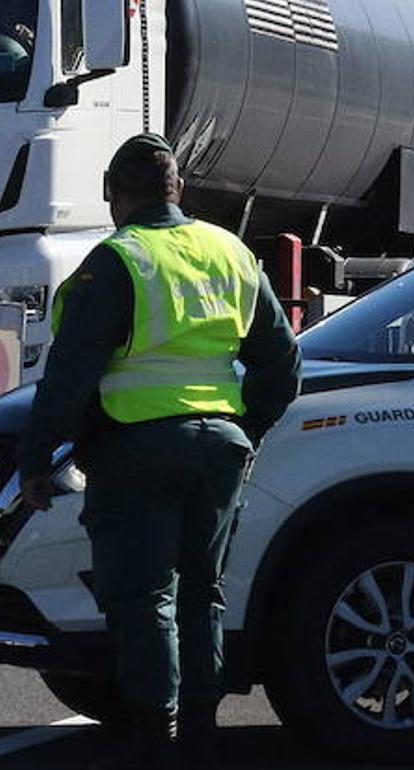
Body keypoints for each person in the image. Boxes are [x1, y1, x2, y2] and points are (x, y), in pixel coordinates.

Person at [17, 134, 301, 769]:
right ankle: (200, 736)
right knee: (203, 593)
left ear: (116, 196)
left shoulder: (117, 261)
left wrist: (35, 463)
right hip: (220, 450)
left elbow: (68, 378)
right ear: (179, 190)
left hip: (136, 450)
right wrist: (243, 431)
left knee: (143, 599)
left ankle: (158, 740)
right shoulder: (230, 252)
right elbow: (282, 366)